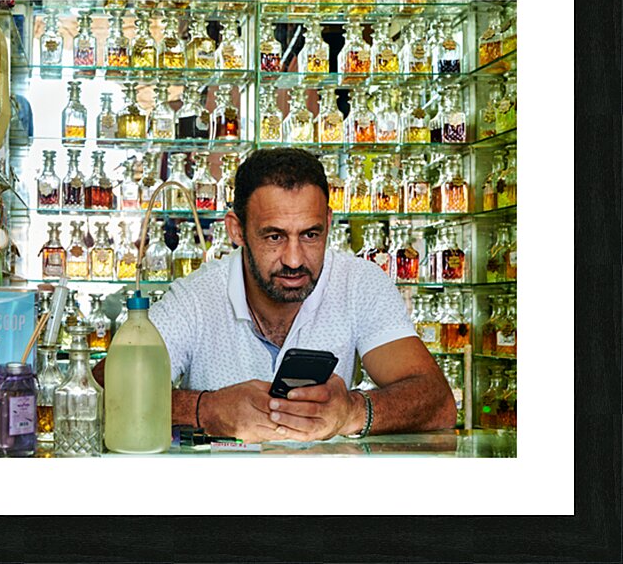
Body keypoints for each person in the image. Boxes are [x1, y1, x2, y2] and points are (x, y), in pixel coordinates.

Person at [97, 148, 456, 443]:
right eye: (274, 237)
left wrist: (351, 411)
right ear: (236, 231)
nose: (295, 259)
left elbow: (439, 404)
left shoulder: (359, 283)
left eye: (311, 235)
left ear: (329, 224)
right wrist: (206, 410)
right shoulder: (196, 297)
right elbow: (99, 392)